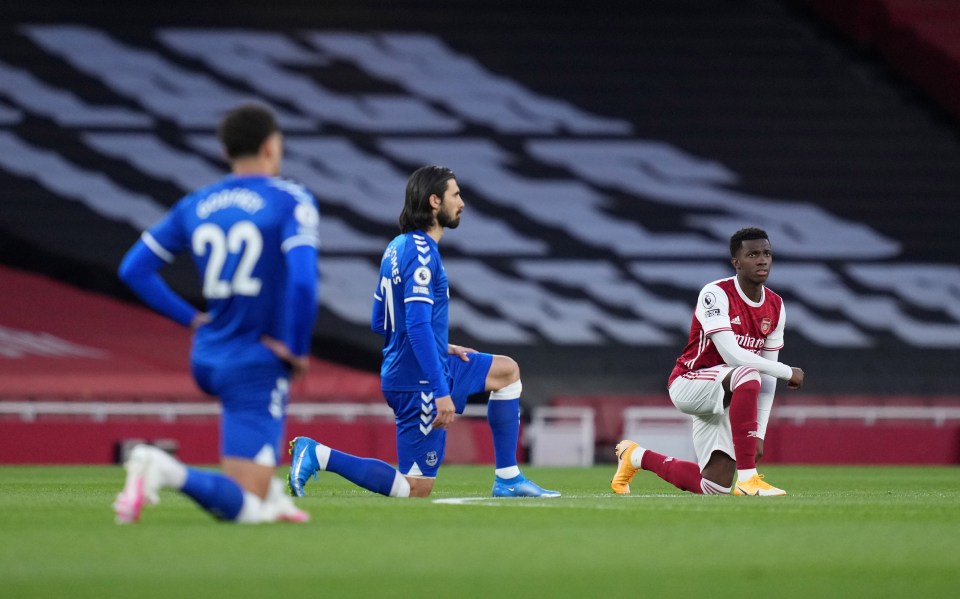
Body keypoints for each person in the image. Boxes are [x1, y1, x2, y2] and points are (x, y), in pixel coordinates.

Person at [288, 165, 559, 498]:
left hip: (422, 365)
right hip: (419, 380)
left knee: (506, 372)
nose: (462, 202)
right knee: (416, 488)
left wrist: (442, 345)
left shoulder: (397, 246)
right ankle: (318, 454)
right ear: (434, 201)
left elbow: (380, 321)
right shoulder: (421, 254)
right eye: (455, 194)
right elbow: (415, 325)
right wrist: (440, 389)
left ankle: (508, 477)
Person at [112, 102, 321, 523]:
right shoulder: (289, 200)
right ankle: (162, 468)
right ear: (270, 146)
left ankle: (273, 492)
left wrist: (192, 318)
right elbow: (302, 282)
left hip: (209, 352)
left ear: (227, 152)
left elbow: (134, 269)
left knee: (256, 488)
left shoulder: (197, 203)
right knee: (247, 509)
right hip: (256, 358)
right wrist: (297, 350)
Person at [612, 227, 804, 497]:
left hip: (727, 395)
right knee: (747, 373)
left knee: (715, 487)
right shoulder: (716, 294)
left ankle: (635, 456)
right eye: (753, 254)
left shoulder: (776, 305)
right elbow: (733, 357)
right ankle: (748, 479)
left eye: (767, 253)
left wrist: (758, 433)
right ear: (736, 262)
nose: (762, 260)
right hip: (690, 382)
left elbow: (767, 379)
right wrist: (788, 371)